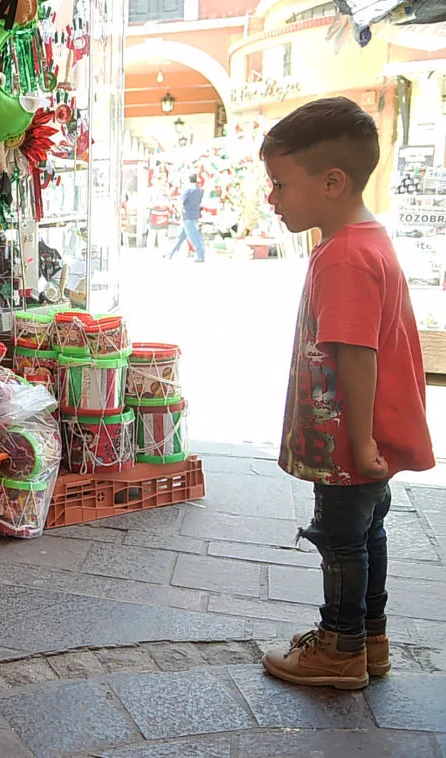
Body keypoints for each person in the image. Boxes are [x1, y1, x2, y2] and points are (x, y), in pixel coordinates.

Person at [260, 97, 435, 689]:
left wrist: (359, 443)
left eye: (281, 184)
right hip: (361, 440)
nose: (272, 198)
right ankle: (369, 637)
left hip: (348, 443)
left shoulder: (345, 258)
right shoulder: (366, 241)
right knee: (366, 534)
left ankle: (339, 648)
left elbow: (358, 355)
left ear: (331, 182)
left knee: (339, 541)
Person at [168, 173, 206, 261]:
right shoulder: (199, 190)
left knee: (194, 237)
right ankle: (170, 253)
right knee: (181, 237)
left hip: (187, 215)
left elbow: (180, 202)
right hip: (194, 215)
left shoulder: (188, 190)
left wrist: (177, 212)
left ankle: (200, 255)